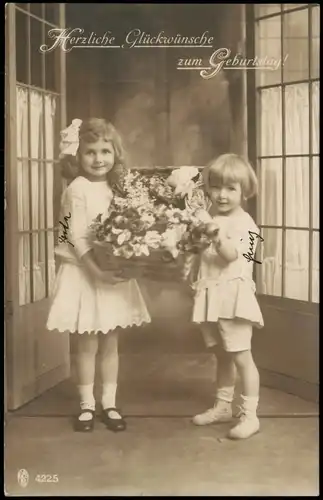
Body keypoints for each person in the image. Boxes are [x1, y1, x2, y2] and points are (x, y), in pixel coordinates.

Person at [47, 118, 151, 432]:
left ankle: (109, 402)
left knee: (110, 341)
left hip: (111, 271)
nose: (98, 158)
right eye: (90, 152)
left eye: (105, 151)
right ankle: (86, 405)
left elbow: (131, 225)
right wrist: (96, 272)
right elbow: (75, 238)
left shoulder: (118, 187)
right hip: (85, 272)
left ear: (115, 153)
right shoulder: (76, 190)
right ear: (78, 157)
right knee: (87, 343)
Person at [188, 153, 264, 440]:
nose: (222, 195)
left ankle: (250, 414)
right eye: (216, 187)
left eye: (231, 188)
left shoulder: (246, 225)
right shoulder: (213, 218)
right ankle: (223, 406)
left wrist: (211, 229)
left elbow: (230, 255)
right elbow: (205, 258)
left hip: (234, 298)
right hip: (214, 295)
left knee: (242, 357)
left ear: (244, 192)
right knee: (223, 356)